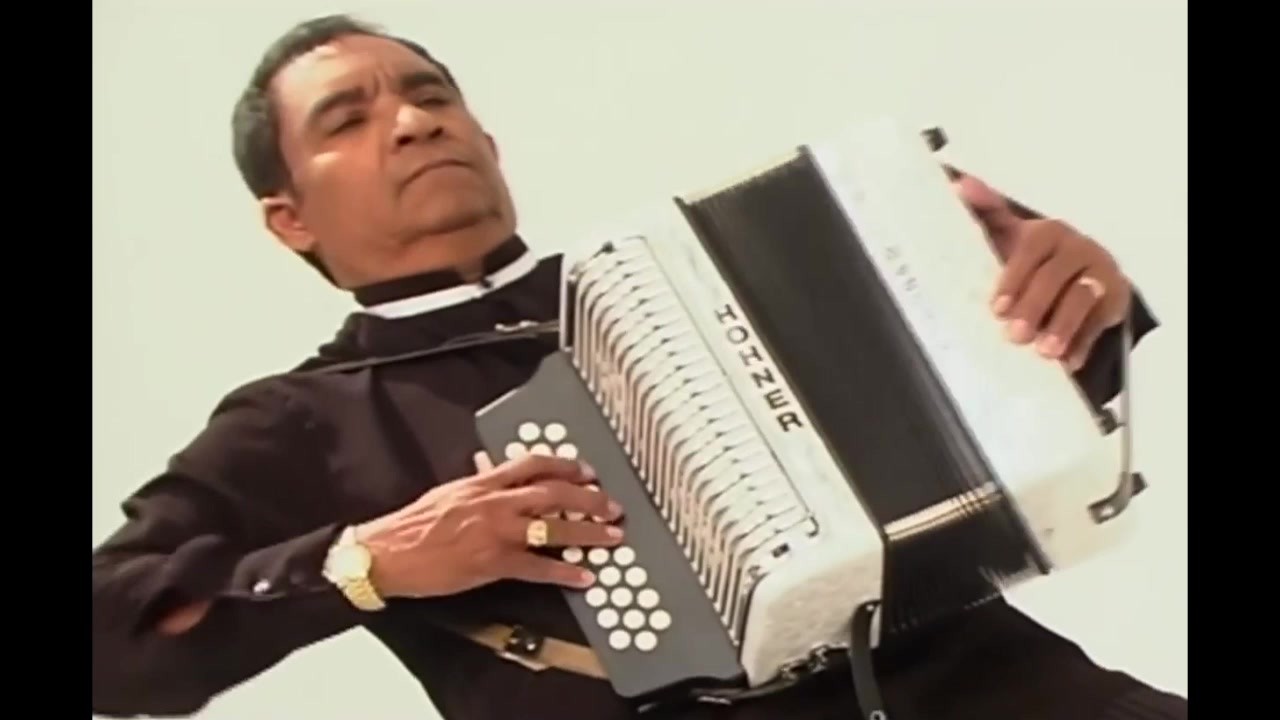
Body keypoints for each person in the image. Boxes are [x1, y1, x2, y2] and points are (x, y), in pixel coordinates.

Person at [90, 13, 1186, 720]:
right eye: (348, 118)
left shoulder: (707, 266)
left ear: (489, 143)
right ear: (288, 218)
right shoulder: (301, 422)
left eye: (430, 93)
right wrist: (368, 561)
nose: (414, 122)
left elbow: (1032, 409)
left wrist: (1066, 297)